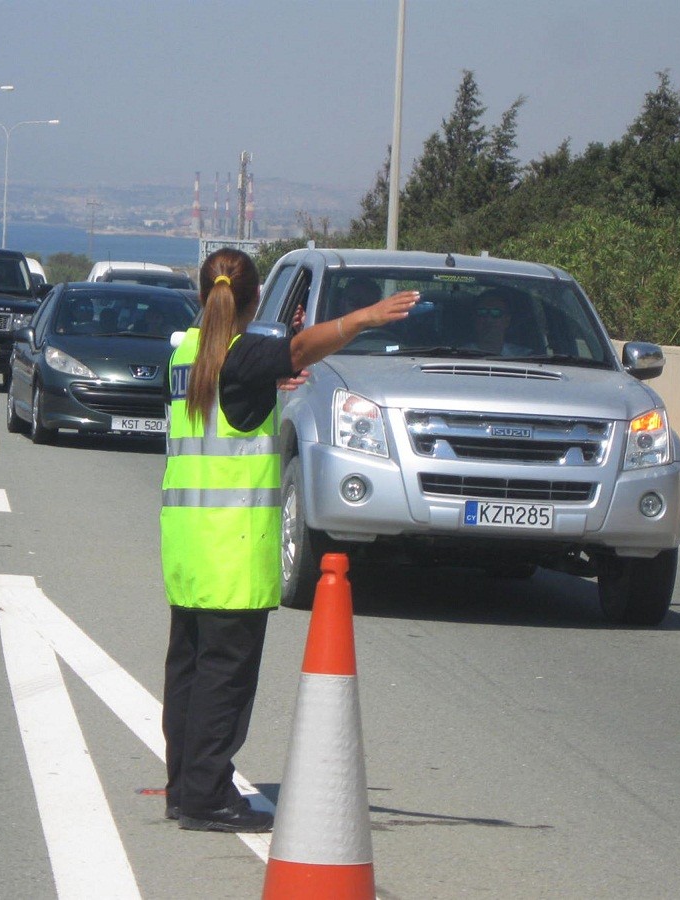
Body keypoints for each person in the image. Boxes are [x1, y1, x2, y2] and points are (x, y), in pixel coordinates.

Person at [160, 248, 417, 833]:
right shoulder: (244, 354)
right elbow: (297, 349)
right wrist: (363, 319)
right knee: (226, 681)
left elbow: (241, 385)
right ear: (253, 303)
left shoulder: (185, 352)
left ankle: (185, 788)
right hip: (234, 546)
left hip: (187, 545)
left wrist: (268, 375)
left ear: (205, 297)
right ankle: (207, 798)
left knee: (189, 673)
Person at [466, 288, 530, 355]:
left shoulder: (525, 357)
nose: (488, 320)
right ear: (474, 318)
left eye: (496, 313)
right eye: (482, 312)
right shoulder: (458, 356)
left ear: (507, 320)